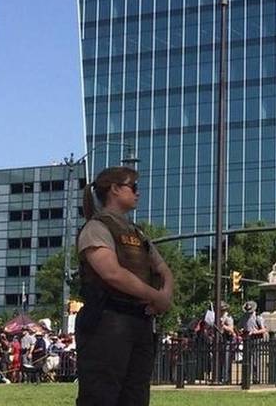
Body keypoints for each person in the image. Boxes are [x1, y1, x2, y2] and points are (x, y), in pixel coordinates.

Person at [75, 166, 174, 406]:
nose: (138, 193)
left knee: (136, 396)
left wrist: (165, 297)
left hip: (138, 322)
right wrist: (156, 296)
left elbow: (164, 270)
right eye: (134, 187)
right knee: (101, 395)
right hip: (106, 320)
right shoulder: (96, 228)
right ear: (115, 189)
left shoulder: (138, 234)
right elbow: (112, 273)